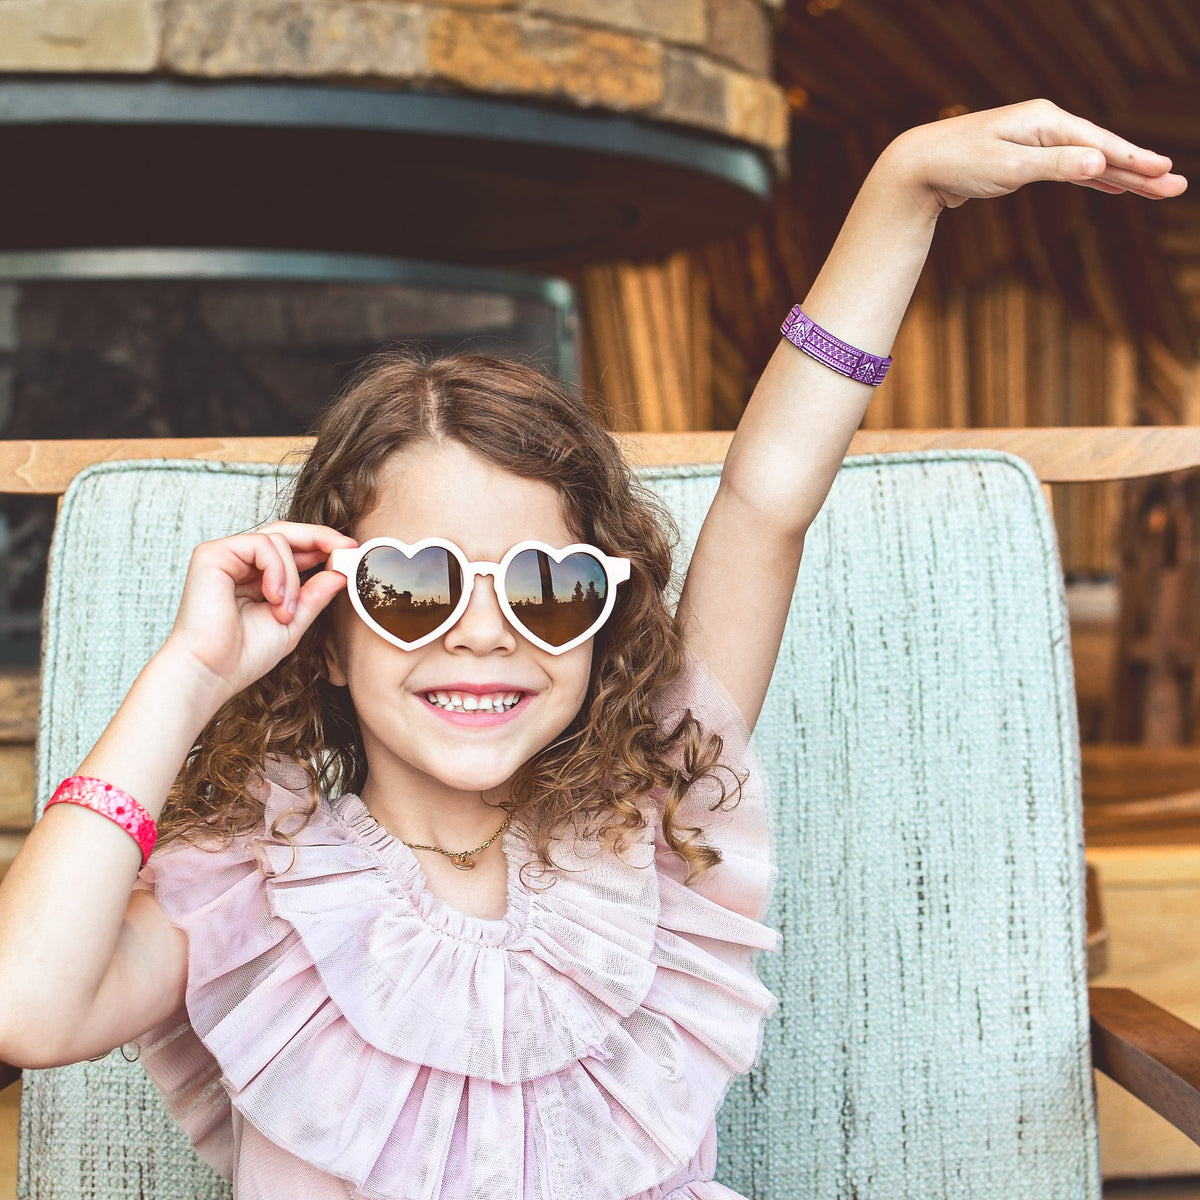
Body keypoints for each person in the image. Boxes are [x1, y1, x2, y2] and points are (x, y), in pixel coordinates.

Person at [0, 101, 1186, 1200]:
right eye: (412, 588)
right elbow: (27, 1008)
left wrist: (903, 185)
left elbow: (768, 499)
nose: (483, 631)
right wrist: (190, 675)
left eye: (547, 589)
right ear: (324, 630)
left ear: (602, 624)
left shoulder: (646, 821)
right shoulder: (258, 887)